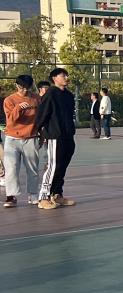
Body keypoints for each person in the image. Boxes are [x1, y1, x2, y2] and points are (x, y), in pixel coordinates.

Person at [34, 67, 77, 209]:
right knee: (53, 166)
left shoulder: (69, 95)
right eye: (62, 75)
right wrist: (38, 131)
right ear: (54, 78)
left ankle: (57, 194)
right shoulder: (50, 94)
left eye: (66, 75)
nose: (66, 78)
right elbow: (42, 113)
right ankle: (43, 198)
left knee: (62, 166)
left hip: (68, 135)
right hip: (55, 135)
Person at [3, 74, 41, 207]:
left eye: (27, 88)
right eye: (21, 87)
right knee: (11, 168)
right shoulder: (9, 100)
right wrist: (18, 108)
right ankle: (11, 196)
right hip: (12, 139)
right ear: (16, 85)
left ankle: (33, 194)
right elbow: (10, 120)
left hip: (31, 138)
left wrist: (42, 135)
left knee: (33, 168)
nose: (24, 90)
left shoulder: (36, 99)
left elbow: (41, 117)